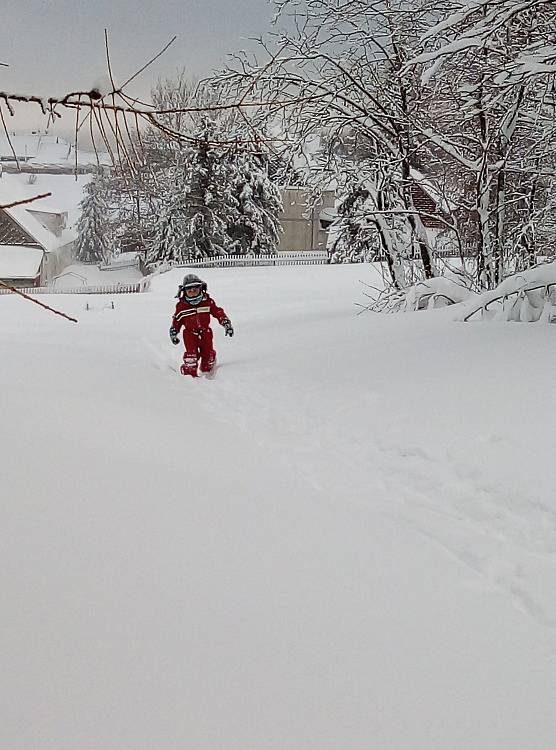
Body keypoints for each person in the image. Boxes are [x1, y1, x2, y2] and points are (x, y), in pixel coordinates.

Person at [169, 274, 234, 377]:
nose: (193, 293)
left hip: (205, 333)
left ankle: (208, 366)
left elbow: (217, 312)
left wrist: (225, 322)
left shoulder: (207, 302)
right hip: (189, 334)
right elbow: (177, 320)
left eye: (195, 290)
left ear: (201, 289)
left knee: (207, 355)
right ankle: (189, 374)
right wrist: (174, 331)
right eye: (189, 291)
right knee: (191, 356)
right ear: (184, 292)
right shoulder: (182, 306)